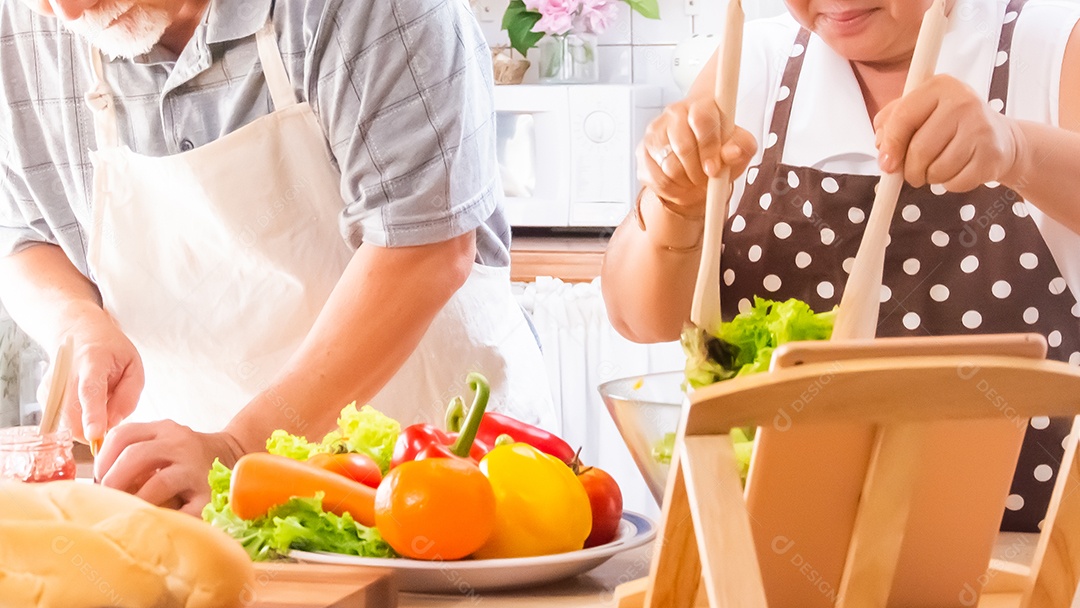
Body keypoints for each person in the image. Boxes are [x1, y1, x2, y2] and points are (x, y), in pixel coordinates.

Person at [0, 0, 555, 513]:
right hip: (196, 512)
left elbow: (424, 251)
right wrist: (78, 322)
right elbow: (24, 235)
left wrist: (240, 448)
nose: (66, 10)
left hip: (442, 490)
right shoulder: (26, 23)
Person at [602, 0, 1080, 533]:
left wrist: (1020, 150)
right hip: (779, 550)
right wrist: (677, 204)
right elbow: (638, 319)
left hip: (1021, 557)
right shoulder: (754, 61)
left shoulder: (1051, 44)